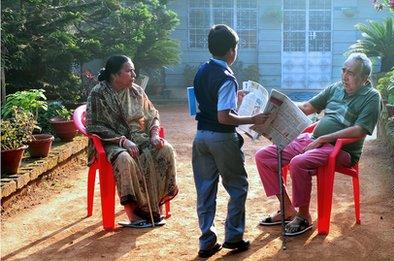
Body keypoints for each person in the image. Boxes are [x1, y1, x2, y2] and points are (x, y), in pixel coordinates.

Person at [255, 53, 381, 236]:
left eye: (351, 73)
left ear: (364, 78)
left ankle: (304, 217)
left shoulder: (371, 97)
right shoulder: (336, 88)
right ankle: (287, 209)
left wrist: (324, 138)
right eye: (344, 70)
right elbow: (307, 108)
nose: (345, 76)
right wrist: (274, 109)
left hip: (341, 149)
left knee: (298, 162)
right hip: (313, 140)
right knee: (263, 156)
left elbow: (360, 130)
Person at [192, 24, 268, 258]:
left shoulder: (202, 70)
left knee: (205, 190)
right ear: (231, 51)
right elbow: (224, 117)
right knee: (237, 186)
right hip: (222, 139)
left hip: (201, 136)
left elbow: (205, 105)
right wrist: (253, 118)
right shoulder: (227, 77)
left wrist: (235, 99)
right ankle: (234, 236)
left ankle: (206, 241)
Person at [86, 55, 178, 228]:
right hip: (112, 142)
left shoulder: (136, 91)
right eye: (129, 71)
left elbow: (153, 115)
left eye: (133, 70)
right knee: (124, 159)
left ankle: (154, 209)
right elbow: (95, 126)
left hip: (140, 138)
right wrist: (123, 141)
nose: (134, 74)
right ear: (114, 75)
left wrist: (154, 135)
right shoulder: (99, 93)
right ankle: (135, 215)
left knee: (165, 150)